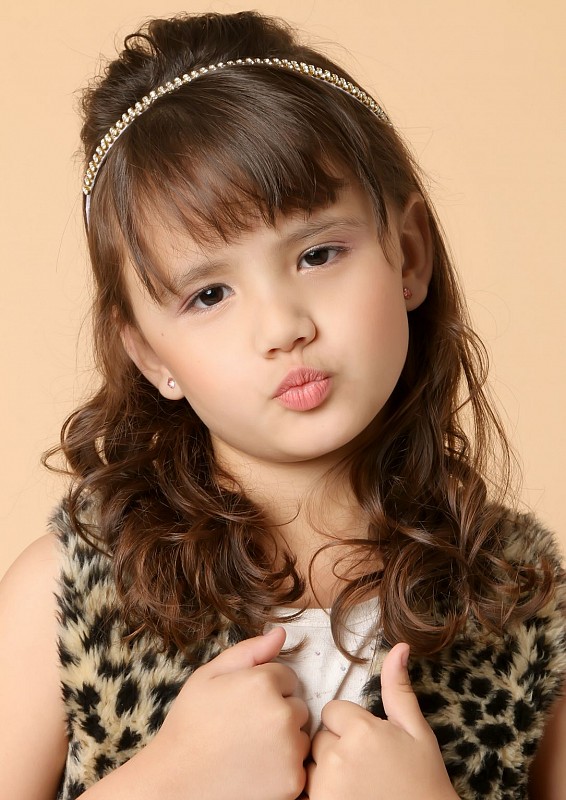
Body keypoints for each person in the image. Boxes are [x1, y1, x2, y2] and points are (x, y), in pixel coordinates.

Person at [0, 10, 565, 800]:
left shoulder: (522, 608)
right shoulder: (70, 592)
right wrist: (162, 785)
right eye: (208, 295)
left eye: (318, 254)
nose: (283, 327)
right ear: (150, 354)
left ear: (408, 255)